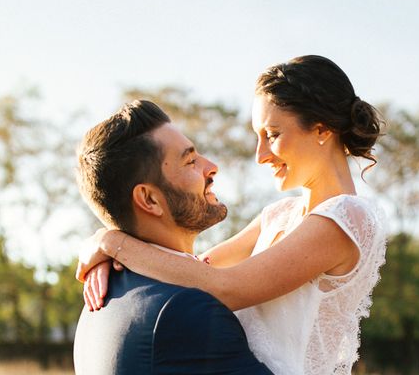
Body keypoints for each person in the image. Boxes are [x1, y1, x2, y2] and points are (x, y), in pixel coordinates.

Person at [77, 55, 387, 375]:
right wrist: (114, 259)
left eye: (273, 134)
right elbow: (192, 270)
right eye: (258, 137)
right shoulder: (279, 214)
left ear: (322, 129)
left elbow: (226, 287)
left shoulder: (347, 218)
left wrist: (114, 243)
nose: (260, 155)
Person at [73, 100, 273, 375]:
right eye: (190, 161)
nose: (211, 167)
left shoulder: (96, 308)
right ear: (149, 199)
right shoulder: (186, 310)